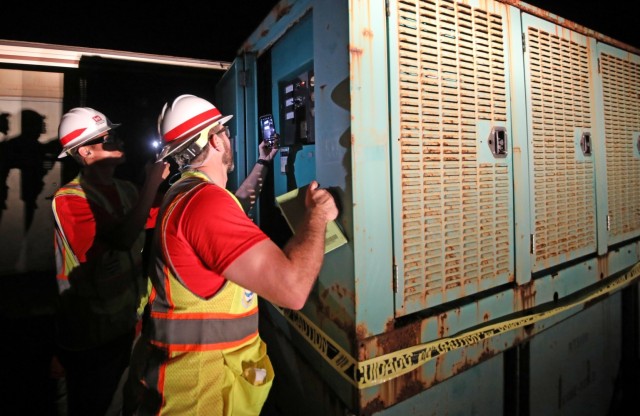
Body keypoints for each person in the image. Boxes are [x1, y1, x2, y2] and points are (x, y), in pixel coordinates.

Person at [124, 94, 338, 416]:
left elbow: (235, 207)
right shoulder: (205, 205)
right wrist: (317, 215)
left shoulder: (185, 193)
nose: (229, 138)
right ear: (214, 141)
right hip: (199, 398)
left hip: (181, 388)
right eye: (225, 133)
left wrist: (264, 162)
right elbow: (292, 289)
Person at [51, 107, 170, 416]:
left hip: (127, 325)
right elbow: (122, 238)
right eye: (109, 137)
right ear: (85, 151)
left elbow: (166, 214)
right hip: (89, 336)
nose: (120, 141)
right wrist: (151, 184)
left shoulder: (127, 189)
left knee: (123, 403)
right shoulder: (69, 199)